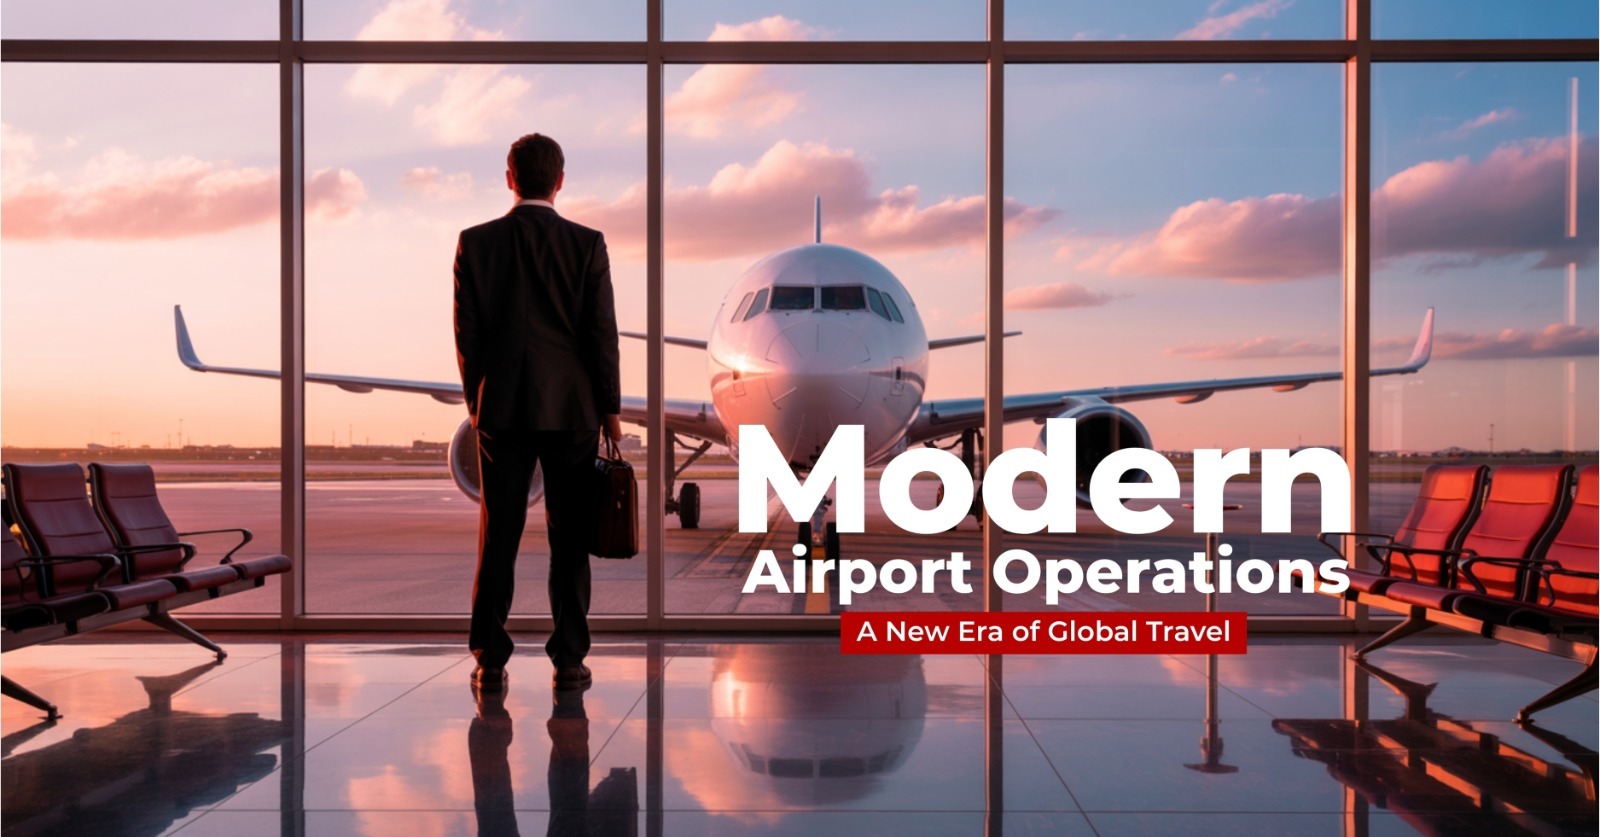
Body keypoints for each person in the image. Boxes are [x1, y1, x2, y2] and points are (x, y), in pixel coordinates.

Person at [453, 132, 621, 692]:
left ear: (510, 178)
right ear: (560, 181)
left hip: (501, 407)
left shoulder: (475, 243)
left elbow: (467, 335)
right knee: (569, 541)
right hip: (572, 410)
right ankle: (569, 660)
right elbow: (602, 335)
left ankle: (489, 659)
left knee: (498, 536)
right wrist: (611, 408)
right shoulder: (587, 243)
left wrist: (478, 399)